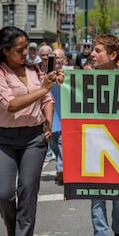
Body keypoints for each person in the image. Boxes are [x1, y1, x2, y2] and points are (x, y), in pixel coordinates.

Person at [0, 26, 63, 236]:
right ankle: (13, 234)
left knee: (28, 190)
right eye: (20, 49)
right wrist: (44, 88)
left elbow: (47, 99)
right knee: (4, 193)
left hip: (33, 138)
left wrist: (47, 121)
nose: (26, 52)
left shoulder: (34, 70)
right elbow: (10, 105)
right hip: (3, 139)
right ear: (5, 51)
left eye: (27, 47)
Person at [88, 34, 119, 236]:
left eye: (98, 50)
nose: (92, 54)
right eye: (93, 50)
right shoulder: (84, 81)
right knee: (97, 200)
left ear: (113, 55)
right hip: (95, 148)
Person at [50, 47, 65, 185]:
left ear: (64, 59)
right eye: (54, 56)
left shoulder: (69, 74)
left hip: (64, 114)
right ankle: (61, 166)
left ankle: (61, 170)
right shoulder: (47, 74)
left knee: (61, 143)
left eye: (59, 57)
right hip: (50, 115)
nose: (57, 59)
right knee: (53, 143)